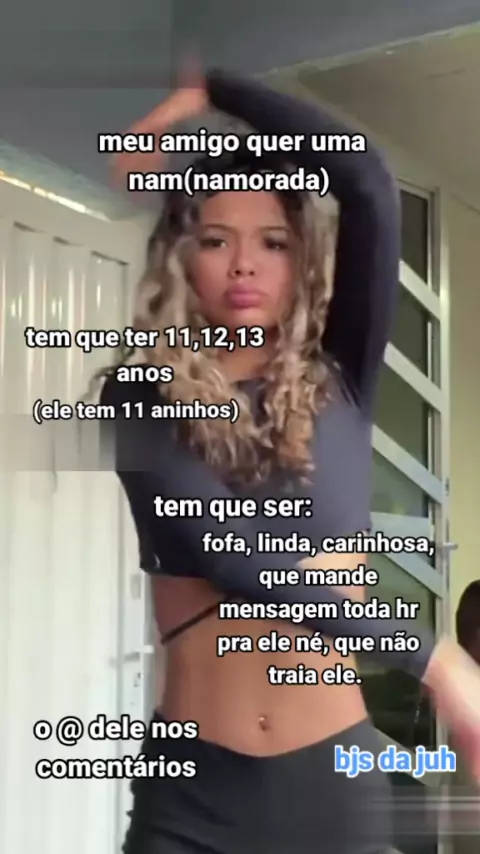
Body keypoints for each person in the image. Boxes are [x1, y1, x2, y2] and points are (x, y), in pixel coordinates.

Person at [100, 63, 480, 854]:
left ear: (302, 259)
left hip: (333, 790)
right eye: (217, 239)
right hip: (194, 797)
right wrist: (435, 659)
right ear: (182, 257)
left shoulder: (342, 377)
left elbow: (365, 179)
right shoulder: (140, 393)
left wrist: (213, 89)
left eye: (272, 242)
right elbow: (230, 555)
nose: (244, 264)